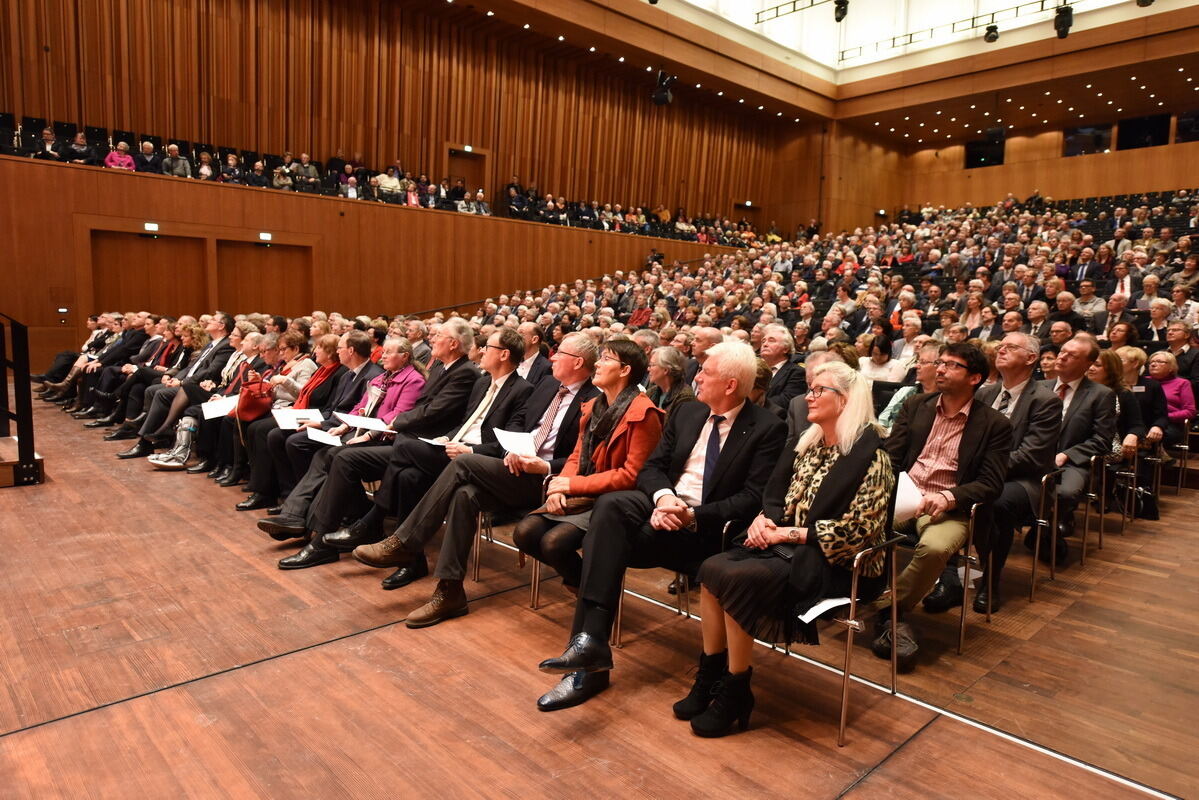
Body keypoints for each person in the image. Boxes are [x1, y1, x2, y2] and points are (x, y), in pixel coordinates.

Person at [533, 342, 786, 712]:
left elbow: (751, 498)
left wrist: (691, 515)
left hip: (707, 528)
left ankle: (590, 660)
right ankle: (590, 644)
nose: (696, 376)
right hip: (662, 509)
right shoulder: (687, 414)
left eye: (706, 372)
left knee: (606, 539)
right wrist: (665, 499)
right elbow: (651, 469)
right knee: (613, 507)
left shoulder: (767, 428)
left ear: (731, 385)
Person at [674, 361, 893, 737]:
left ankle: (737, 688)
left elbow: (859, 533)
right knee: (712, 569)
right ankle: (711, 673)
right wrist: (763, 519)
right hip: (788, 547)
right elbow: (777, 498)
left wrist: (787, 534)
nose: (808, 396)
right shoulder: (808, 444)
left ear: (845, 401)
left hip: (834, 562)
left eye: (818, 390)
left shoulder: (873, 457)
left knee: (734, 578)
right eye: (809, 388)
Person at [351, 332, 601, 596]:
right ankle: (449, 591)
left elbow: (585, 460)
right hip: (513, 466)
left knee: (463, 463)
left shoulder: (595, 399)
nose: (554, 357)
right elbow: (519, 427)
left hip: (546, 479)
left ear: (577, 362)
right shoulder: (548, 386)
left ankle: (404, 542)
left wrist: (544, 466)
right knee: (464, 494)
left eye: (561, 353)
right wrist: (515, 448)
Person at [870, 342, 1011, 670]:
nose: (941, 369)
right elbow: (890, 456)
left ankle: (883, 606)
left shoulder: (994, 424)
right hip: (904, 494)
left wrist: (948, 497)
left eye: (952, 365)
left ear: (975, 377)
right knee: (851, 524)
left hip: (949, 507)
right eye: (941, 363)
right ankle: (859, 599)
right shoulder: (917, 405)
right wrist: (883, 490)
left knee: (934, 549)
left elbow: (991, 484)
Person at [508, 339, 664, 604]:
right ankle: (590, 589)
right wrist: (560, 485)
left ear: (624, 370)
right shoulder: (595, 405)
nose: (598, 364)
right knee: (525, 533)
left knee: (554, 543)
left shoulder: (644, 413)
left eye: (605, 359)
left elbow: (631, 476)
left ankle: (595, 598)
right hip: (582, 489)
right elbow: (577, 455)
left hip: (612, 501)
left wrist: (571, 487)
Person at [968, 333, 1063, 612]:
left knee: (996, 503)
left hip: (1025, 479)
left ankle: (990, 580)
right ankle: (947, 573)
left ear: (1031, 358)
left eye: (1010, 347)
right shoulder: (985, 393)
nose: (1001, 349)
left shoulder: (1045, 400)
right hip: (984, 473)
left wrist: (982, 471)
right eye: (1000, 346)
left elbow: (1030, 455)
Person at [1033, 335, 1117, 565]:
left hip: (1072, 461)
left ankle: (1049, 528)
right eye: (1062, 351)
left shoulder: (1101, 394)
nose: (1062, 357)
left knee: (1065, 492)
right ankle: (1038, 526)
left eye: (1072, 355)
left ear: (1087, 364)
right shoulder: (1039, 387)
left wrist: (1067, 454)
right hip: (1034, 454)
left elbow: (1102, 440)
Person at [1146, 351, 1196, 447]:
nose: (1153, 364)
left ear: (1171, 367)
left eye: (1159, 361)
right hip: (1144, 421)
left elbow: (1190, 411)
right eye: (1151, 362)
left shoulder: (1182, 383)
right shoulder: (1144, 381)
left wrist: (1164, 417)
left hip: (1171, 424)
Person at [646, 345, 697, 421]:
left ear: (666, 370)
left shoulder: (685, 397)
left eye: (652, 365)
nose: (648, 369)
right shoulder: (651, 392)